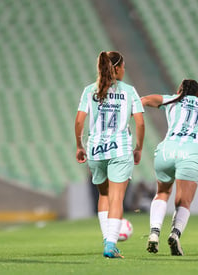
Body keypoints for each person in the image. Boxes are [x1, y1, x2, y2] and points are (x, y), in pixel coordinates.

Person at [75, 51, 145, 258]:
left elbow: (79, 121)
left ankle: (107, 238)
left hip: (96, 149)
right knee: (117, 197)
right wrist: (139, 147)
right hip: (120, 149)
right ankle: (111, 245)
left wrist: (79, 145)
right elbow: (140, 123)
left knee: (103, 195)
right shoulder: (129, 91)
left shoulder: (90, 90)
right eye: (123, 66)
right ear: (117, 68)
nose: (125, 70)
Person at [141, 79, 198, 256]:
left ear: (180, 90)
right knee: (184, 201)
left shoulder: (173, 99)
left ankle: (154, 233)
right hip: (191, 153)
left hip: (167, 150)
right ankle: (175, 235)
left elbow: (143, 100)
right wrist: (197, 138)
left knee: (162, 193)